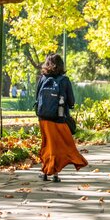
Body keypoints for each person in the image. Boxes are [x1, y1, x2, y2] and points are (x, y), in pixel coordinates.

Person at [35, 54, 87, 182]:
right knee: (59, 146)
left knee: (47, 144)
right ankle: (55, 174)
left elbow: (37, 97)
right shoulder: (64, 80)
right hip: (59, 117)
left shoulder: (43, 78)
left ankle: (46, 172)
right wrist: (70, 105)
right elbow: (71, 101)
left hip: (43, 118)